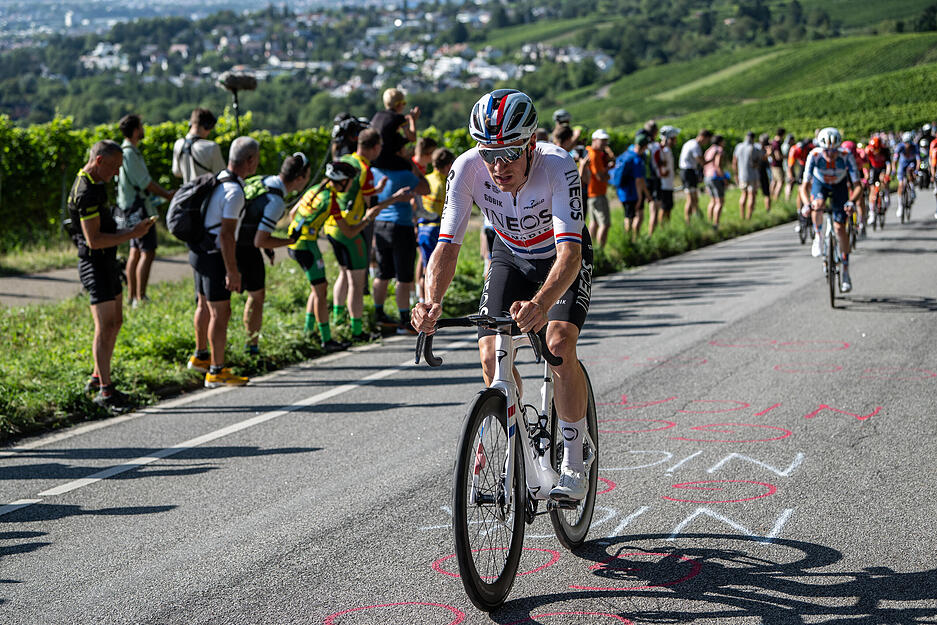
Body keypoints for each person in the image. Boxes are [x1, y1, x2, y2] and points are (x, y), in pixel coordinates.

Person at [412, 89, 594, 501]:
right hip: (510, 253)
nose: (498, 165)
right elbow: (447, 246)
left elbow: (571, 253)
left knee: (559, 342)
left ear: (531, 144)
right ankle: (520, 439)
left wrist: (542, 305)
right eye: (489, 153)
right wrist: (431, 302)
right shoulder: (466, 169)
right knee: (491, 349)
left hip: (559, 257)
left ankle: (573, 459)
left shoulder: (558, 166)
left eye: (510, 153)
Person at [69, 140, 156, 411]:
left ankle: (99, 378)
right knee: (104, 326)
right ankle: (105, 392)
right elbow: (93, 240)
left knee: (115, 322)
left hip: (107, 262)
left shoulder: (96, 182)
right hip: (94, 263)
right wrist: (132, 234)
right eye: (115, 167)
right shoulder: (86, 191)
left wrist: (128, 228)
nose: (117, 173)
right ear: (99, 161)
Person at [325, 129, 411, 342]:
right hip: (351, 229)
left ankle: (338, 321)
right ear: (374, 147)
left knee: (343, 274)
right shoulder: (365, 169)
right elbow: (371, 208)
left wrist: (376, 190)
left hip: (331, 226)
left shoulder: (346, 159)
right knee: (356, 280)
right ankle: (356, 329)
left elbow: (355, 193)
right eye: (379, 147)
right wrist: (395, 198)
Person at [187, 136, 259, 388]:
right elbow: (227, 234)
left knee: (203, 304)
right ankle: (216, 371)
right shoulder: (235, 191)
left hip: (198, 250)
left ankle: (201, 357)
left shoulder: (218, 178)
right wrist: (232, 270)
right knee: (221, 312)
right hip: (215, 256)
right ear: (250, 161)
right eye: (257, 159)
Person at [236, 153, 312, 355]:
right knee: (257, 296)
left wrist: (268, 246)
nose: (306, 182)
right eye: (306, 177)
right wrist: (289, 241)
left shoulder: (265, 180)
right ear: (298, 179)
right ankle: (251, 347)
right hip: (245, 247)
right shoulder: (277, 201)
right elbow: (260, 240)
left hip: (230, 239)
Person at [288, 161, 366, 352]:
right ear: (342, 182)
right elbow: (348, 232)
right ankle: (326, 340)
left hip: (295, 244)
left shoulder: (314, 189)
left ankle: (308, 332)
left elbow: (292, 213)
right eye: (349, 182)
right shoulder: (330, 200)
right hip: (307, 246)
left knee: (317, 289)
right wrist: (368, 218)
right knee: (321, 292)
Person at [116, 114, 174, 308]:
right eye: (141, 126)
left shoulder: (126, 152)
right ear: (135, 131)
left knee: (135, 250)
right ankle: (139, 297)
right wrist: (166, 194)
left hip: (129, 206)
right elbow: (144, 182)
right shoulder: (130, 153)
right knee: (147, 251)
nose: (143, 129)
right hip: (138, 207)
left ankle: (133, 296)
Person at [371, 149, 429, 334]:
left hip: (380, 224)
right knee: (404, 276)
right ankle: (405, 319)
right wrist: (413, 166)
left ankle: (378, 314)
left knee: (382, 273)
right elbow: (426, 187)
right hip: (401, 226)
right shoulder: (406, 175)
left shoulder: (375, 172)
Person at [802, 127, 860, 292]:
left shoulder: (846, 156)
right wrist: (807, 204)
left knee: (840, 228)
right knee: (817, 204)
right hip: (821, 184)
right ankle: (818, 236)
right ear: (821, 148)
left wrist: (851, 201)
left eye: (834, 151)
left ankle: (846, 272)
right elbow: (804, 186)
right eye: (827, 151)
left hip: (840, 186)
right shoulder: (814, 155)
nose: (830, 154)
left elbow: (857, 186)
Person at [415, 148, 455, 305]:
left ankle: (419, 298)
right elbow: (446, 210)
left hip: (421, 226)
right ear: (447, 166)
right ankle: (427, 303)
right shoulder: (442, 184)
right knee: (433, 268)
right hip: (435, 229)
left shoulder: (427, 178)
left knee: (424, 263)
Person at [172, 108, 226, 183]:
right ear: (207, 126)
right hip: (208, 193)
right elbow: (222, 174)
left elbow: (177, 172)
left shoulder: (178, 144)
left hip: (188, 193)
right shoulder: (212, 147)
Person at [371, 87, 420, 171]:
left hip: (374, 158)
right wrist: (413, 120)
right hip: (387, 160)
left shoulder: (378, 115)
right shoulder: (398, 117)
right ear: (398, 104)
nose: (404, 106)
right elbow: (412, 138)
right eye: (404, 103)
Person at [581, 129, 614, 247]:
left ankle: (590, 249)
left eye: (606, 141)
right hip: (597, 193)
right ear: (595, 140)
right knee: (605, 224)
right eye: (602, 141)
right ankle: (600, 249)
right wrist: (607, 174)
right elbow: (600, 177)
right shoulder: (594, 155)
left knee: (594, 223)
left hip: (591, 193)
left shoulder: (590, 151)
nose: (605, 143)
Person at [617, 132, 649, 242]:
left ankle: (629, 240)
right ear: (645, 146)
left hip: (622, 192)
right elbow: (639, 180)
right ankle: (632, 240)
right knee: (633, 218)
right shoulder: (637, 160)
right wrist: (641, 197)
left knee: (628, 216)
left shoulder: (625, 154)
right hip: (632, 193)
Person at [678, 129, 711, 223]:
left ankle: (697, 218)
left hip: (687, 172)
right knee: (690, 199)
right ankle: (688, 221)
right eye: (707, 140)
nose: (706, 143)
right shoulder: (695, 146)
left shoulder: (690, 143)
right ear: (703, 137)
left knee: (694, 198)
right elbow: (701, 162)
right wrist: (711, 160)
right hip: (688, 172)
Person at [655, 125, 679, 231]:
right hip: (664, 184)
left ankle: (667, 229)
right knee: (664, 208)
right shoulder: (663, 150)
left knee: (668, 207)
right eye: (674, 138)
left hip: (668, 184)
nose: (676, 140)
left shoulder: (667, 150)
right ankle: (662, 229)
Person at [733, 131, 760, 220]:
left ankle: (742, 216)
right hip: (752, 175)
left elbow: (734, 162)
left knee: (743, 195)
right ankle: (749, 217)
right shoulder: (754, 148)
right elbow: (757, 163)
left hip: (742, 175)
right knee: (751, 195)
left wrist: (735, 174)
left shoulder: (738, 147)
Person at [893, 131, 919, 220]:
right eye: (905, 142)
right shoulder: (900, 147)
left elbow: (918, 160)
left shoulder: (914, 147)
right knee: (900, 185)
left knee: (911, 171)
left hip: (911, 163)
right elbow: (895, 160)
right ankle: (900, 206)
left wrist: (916, 170)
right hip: (902, 164)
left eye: (908, 142)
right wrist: (893, 169)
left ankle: (912, 188)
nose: (907, 145)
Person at [702, 134, 726, 229]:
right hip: (715, 177)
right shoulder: (718, 150)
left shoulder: (708, 150)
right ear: (720, 141)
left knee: (712, 200)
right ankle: (716, 224)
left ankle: (709, 221)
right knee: (720, 201)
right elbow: (718, 165)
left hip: (707, 177)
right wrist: (724, 178)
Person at [769, 128, 785, 200]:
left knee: (774, 181)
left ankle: (771, 196)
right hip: (777, 165)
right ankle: (776, 198)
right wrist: (785, 157)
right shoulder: (777, 143)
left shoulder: (773, 142)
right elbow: (778, 156)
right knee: (780, 182)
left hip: (772, 164)